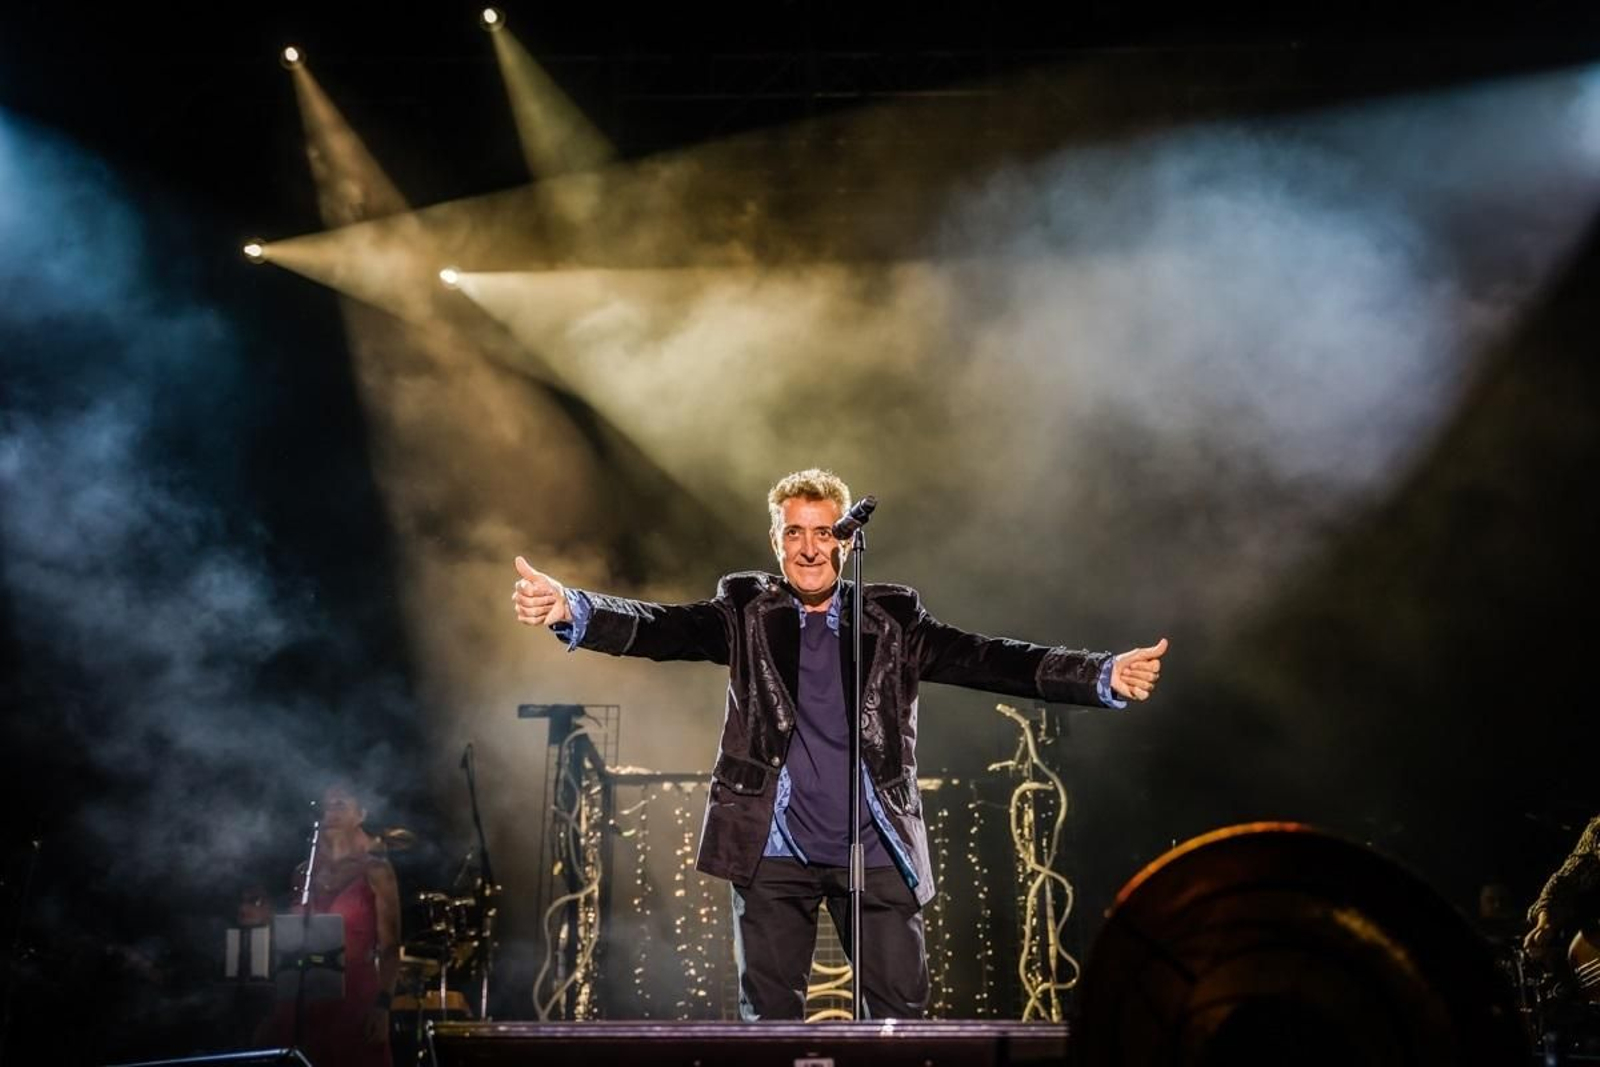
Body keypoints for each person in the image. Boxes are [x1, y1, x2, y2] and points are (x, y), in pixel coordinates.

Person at [512, 468, 1166, 1020]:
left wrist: (1101, 674)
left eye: (823, 531)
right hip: (772, 852)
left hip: (875, 849)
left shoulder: (894, 622)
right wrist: (572, 607)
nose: (808, 546)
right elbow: (659, 626)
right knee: (771, 1030)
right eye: (793, 531)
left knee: (898, 1026)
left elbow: (993, 658)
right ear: (775, 540)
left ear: (846, 541)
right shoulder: (746, 614)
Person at [266, 783, 402, 1066]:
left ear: (360, 815)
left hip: (354, 999)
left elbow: (390, 946)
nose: (331, 811)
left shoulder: (376, 870)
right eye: (326, 805)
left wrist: (383, 1006)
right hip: (302, 998)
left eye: (341, 804)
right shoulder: (302, 872)